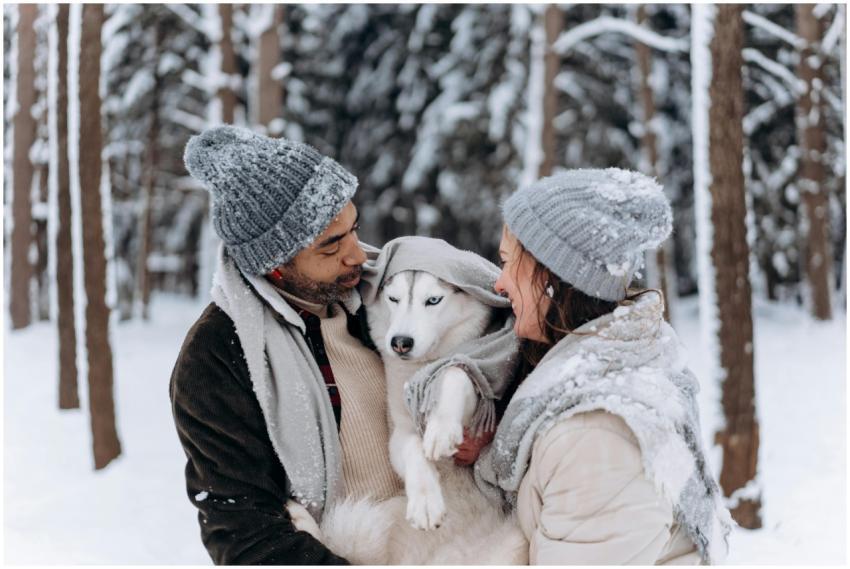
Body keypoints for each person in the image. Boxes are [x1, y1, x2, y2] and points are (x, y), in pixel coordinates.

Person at [475, 169, 734, 564]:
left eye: (509, 263)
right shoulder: (609, 370)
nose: (500, 283)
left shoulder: (596, 437)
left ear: (553, 278)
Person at [169, 125, 402, 564]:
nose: (357, 255)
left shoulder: (392, 294)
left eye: (354, 228)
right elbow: (245, 535)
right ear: (273, 264)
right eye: (331, 245)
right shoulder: (217, 358)